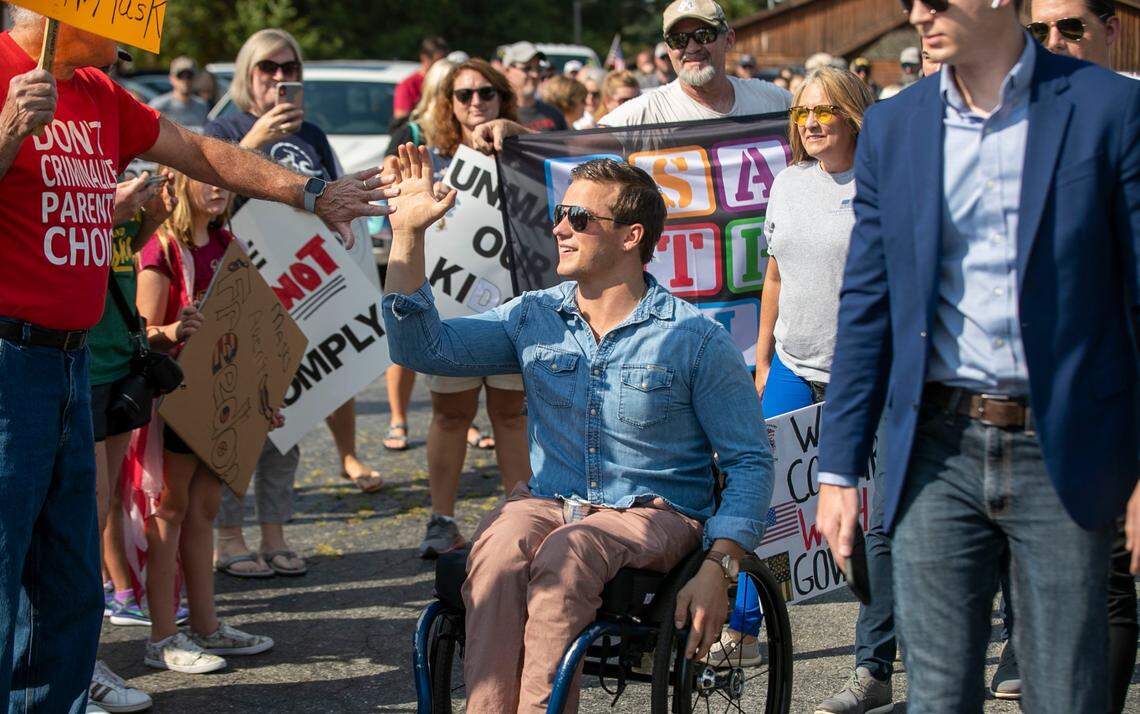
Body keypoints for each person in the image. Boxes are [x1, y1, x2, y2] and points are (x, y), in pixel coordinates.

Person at [0, 6, 389, 709]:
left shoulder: (96, 89)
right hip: (8, 362)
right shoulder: (4, 75)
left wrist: (310, 193)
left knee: (67, 577)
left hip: (72, 361)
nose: (127, 22)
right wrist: (5, 135)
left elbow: (204, 152)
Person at [815, 1, 1140, 712]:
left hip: (1063, 447)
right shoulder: (894, 129)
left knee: (1064, 695)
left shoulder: (1108, 107)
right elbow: (868, 307)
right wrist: (837, 469)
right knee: (937, 698)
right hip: (935, 445)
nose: (917, 12)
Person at [383, 141, 773, 714]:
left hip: (655, 513)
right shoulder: (532, 315)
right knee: (500, 546)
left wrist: (722, 564)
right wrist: (408, 235)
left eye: (579, 217)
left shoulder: (697, 338)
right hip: (551, 501)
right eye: (560, 214)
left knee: (570, 551)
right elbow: (422, 346)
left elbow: (749, 462)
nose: (560, 228)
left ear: (630, 236)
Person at [986, 2, 1134, 709]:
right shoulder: (1011, 125)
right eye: (1039, 30)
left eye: (1071, 26)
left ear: (1111, 28)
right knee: (1081, 586)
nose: (1054, 43)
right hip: (1048, 400)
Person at [729, 67, 885, 714]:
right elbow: (774, 276)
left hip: (864, 376)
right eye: (801, 112)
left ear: (853, 114)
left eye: (825, 110)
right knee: (754, 498)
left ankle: (873, 667)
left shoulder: (882, 183)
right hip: (792, 365)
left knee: (875, 524)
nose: (812, 122)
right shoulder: (788, 183)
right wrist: (764, 361)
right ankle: (740, 632)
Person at [205, 30, 385, 529]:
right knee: (242, 412)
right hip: (245, 283)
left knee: (293, 411)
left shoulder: (312, 136)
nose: (281, 78)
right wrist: (255, 142)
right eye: (269, 68)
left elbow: (331, 199)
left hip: (306, 284)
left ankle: (274, 532)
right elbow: (206, 203)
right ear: (248, 73)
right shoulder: (222, 128)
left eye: (290, 69)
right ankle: (230, 535)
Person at [390, 59, 534, 559]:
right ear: (448, 104)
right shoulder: (432, 159)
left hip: (514, 309)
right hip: (452, 308)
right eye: (464, 94)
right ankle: (442, 519)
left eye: (487, 93)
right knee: (451, 416)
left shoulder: (524, 150)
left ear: (503, 99)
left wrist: (520, 135)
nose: (476, 103)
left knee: (511, 416)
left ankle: (524, 518)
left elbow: (572, 169)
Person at [132, 171, 275, 672]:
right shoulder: (161, 249)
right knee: (168, 512)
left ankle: (207, 626)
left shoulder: (226, 241)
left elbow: (249, 326)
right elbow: (142, 336)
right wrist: (171, 329)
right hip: (178, 398)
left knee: (205, 510)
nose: (219, 190)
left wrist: (261, 396)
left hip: (222, 398)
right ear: (178, 183)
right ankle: (163, 636)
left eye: (224, 183)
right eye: (206, 181)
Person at [86, 172, 174, 713]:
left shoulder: (110, 179)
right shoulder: (78, 187)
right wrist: (108, 213)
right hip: (84, 366)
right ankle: (73, 667)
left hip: (118, 363)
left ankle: (80, 661)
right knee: (82, 518)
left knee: (101, 510)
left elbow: (123, 254)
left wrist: (154, 217)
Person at [600, 0, 791, 128]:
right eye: (678, 40)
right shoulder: (645, 114)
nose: (691, 48)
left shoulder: (772, 101)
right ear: (668, 49)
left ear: (729, 39)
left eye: (704, 35)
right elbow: (584, 153)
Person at [501, 41, 567, 132]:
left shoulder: (554, 114)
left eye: (538, 69)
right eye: (527, 68)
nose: (535, 74)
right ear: (507, 71)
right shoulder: (496, 113)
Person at [393, 36, 449, 125]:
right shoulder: (408, 85)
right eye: (437, 62)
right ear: (424, 58)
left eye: (444, 62)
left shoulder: (448, 81)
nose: (441, 66)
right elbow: (401, 122)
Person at [148, 56, 209, 129]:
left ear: (195, 78)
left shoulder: (202, 106)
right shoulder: (158, 106)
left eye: (189, 76)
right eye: (180, 76)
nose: (185, 80)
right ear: (171, 78)